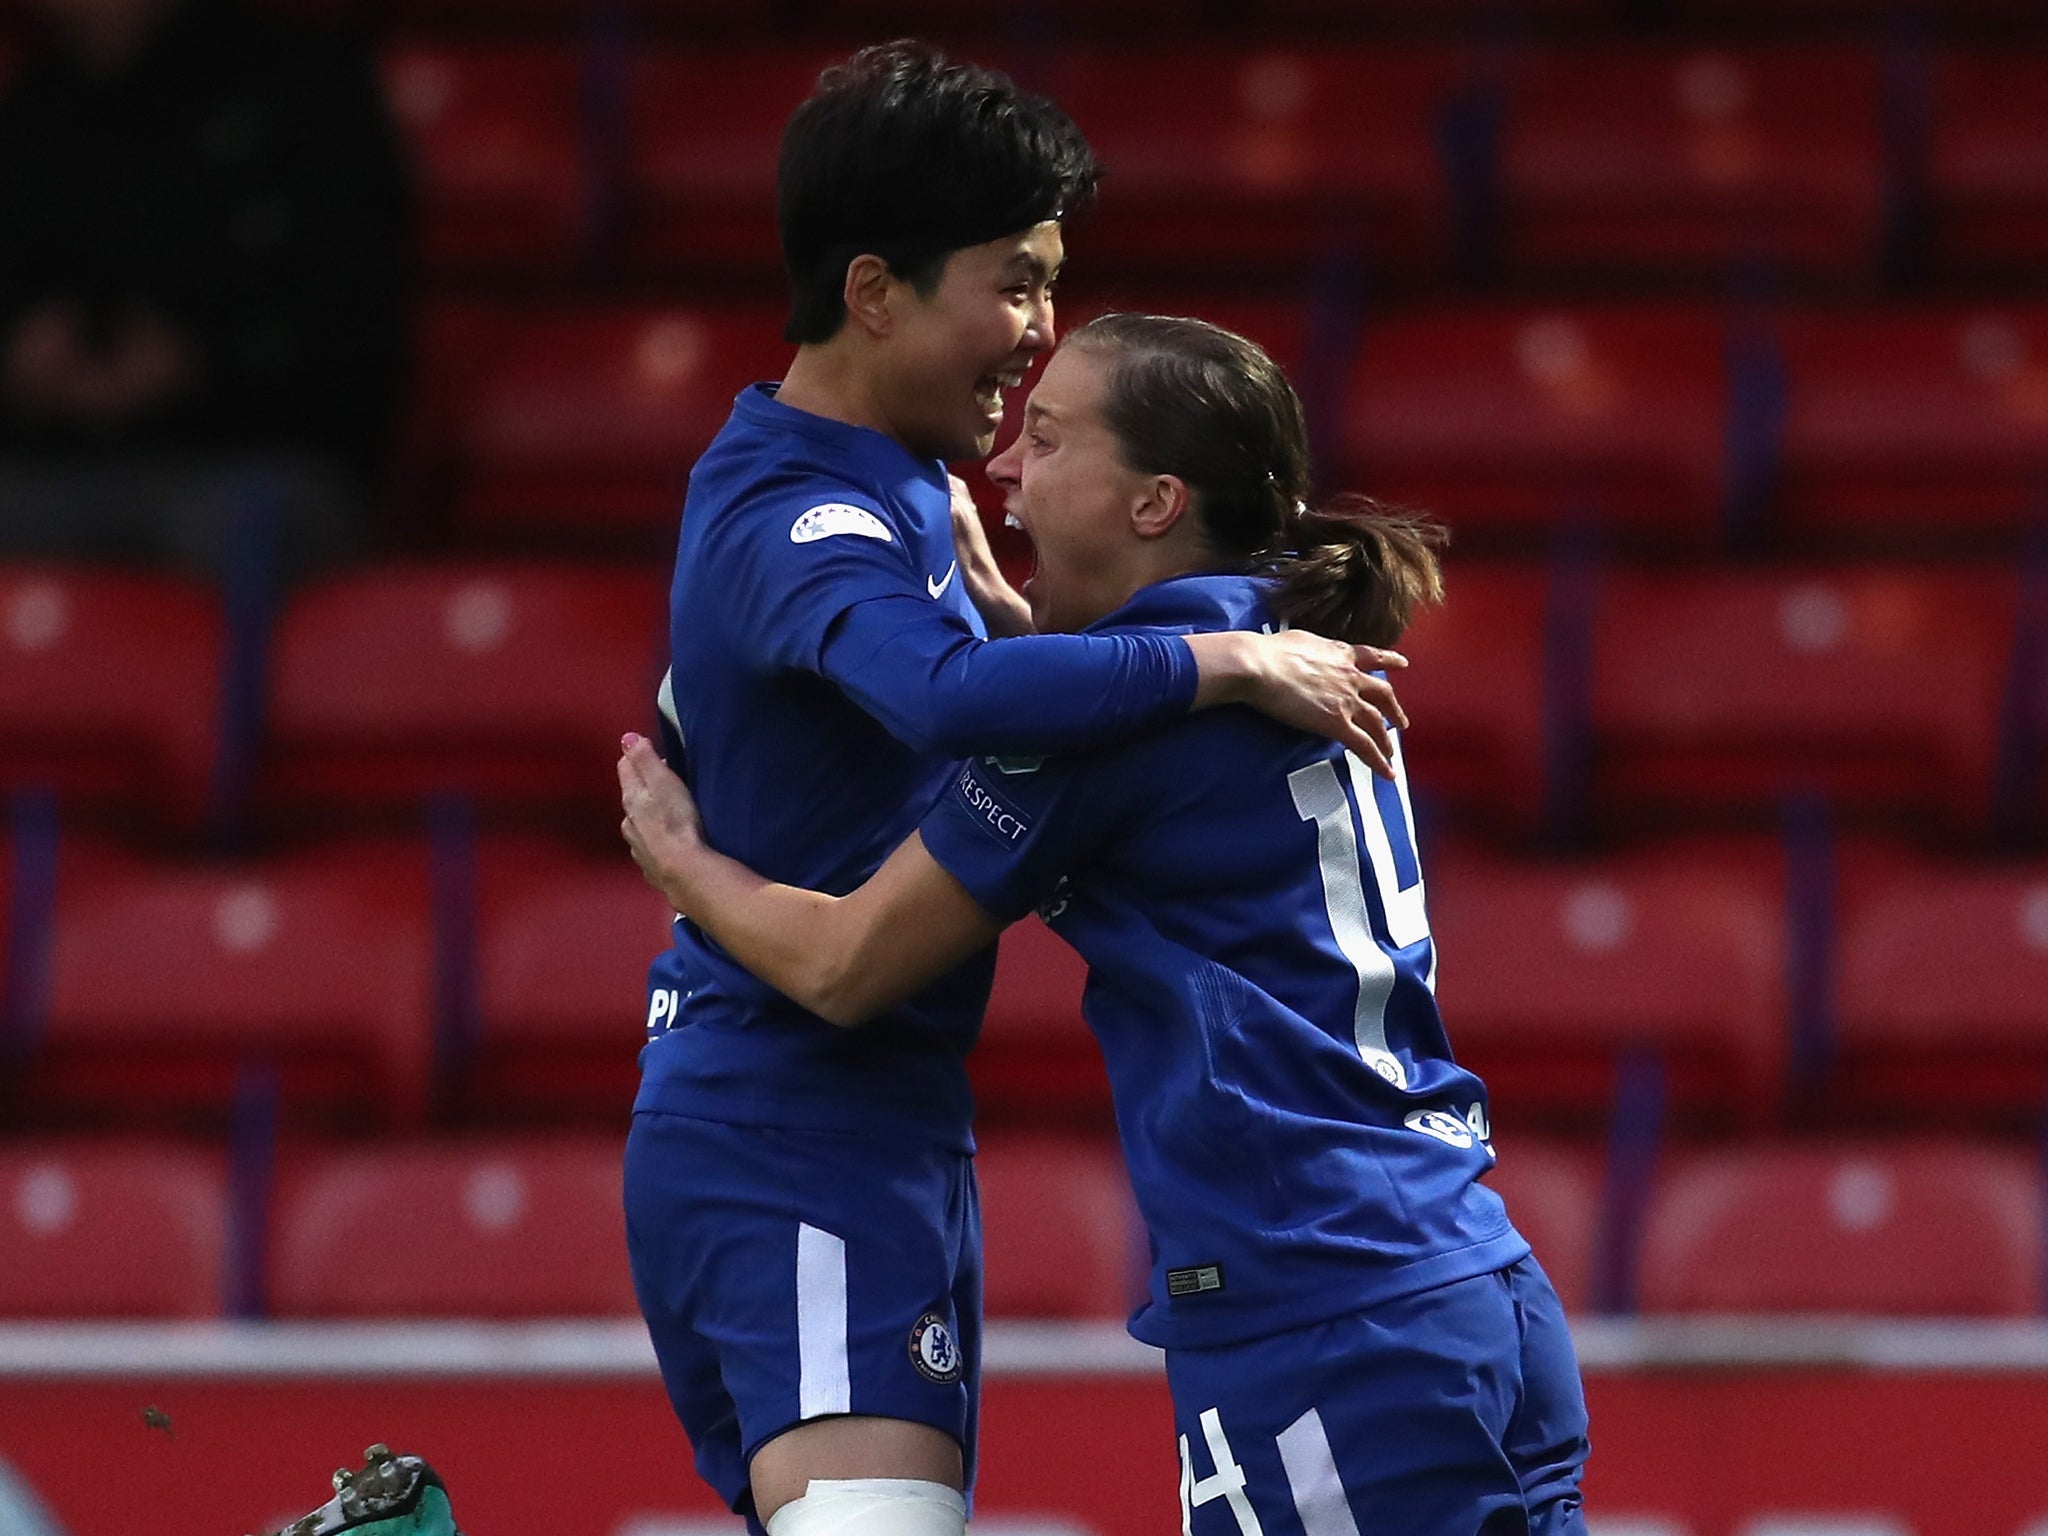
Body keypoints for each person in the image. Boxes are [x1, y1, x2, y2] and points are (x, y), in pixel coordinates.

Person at [619, 312, 1591, 1536]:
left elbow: (844, 962)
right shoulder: (1292, 644)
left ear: (1153, 503)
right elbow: (1149, 762)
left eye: (1048, 437)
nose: (1006, 471)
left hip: (1319, 1319)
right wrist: (1021, 628)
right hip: (1465, 1282)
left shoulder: (1122, 717)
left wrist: (679, 860)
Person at [625, 41, 1413, 1536]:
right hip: (794, 1121)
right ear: (874, 293)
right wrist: (1223, 669)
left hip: (876, 1124)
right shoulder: (805, 514)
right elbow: (946, 702)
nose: (1038, 334)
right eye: (1016, 281)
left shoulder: (905, 482)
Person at [0, 0, 413, 584]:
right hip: (57, 463)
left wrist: (195, 365)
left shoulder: (300, 86)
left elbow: (357, 330)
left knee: (244, 523)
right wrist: (25, 365)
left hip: (251, 456)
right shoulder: (34, 110)